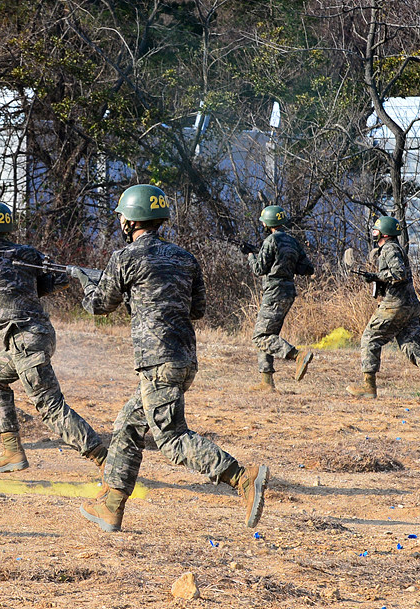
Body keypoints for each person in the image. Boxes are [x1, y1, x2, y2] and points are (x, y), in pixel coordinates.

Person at [73, 184, 269, 532]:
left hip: (157, 361)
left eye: (121, 214)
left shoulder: (125, 258)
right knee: (128, 426)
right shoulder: (185, 258)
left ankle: (241, 477)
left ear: (131, 220)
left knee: (171, 437)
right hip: (183, 358)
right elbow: (198, 310)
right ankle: (111, 504)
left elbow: (99, 305)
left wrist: (85, 282)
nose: (119, 219)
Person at [0, 200, 108, 473]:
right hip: (37, 336)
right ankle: (12, 452)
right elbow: (48, 284)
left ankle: (108, 462)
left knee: (50, 407)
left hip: (24, 341)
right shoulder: (27, 253)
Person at [346, 216, 420, 406]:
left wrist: (376, 276)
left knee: (370, 338)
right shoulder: (394, 248)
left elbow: (399, 273)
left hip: (395, 305)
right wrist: (376, 279)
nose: (374, 232)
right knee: (410, 345)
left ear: (385, 233)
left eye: (377, 230)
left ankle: (368, 387)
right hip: (410, 305)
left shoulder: (389, 248)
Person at [246, 204, 316, 392]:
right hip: (288, 291)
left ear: (268, 223)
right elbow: (308, 269)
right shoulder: (293, 241)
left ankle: (297, 355)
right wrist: (287, 263)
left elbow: (259, 269)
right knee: (269, 334)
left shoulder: (271, 240)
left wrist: (251, 256)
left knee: (261, 336)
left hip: (274, 292)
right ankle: (266, 382)